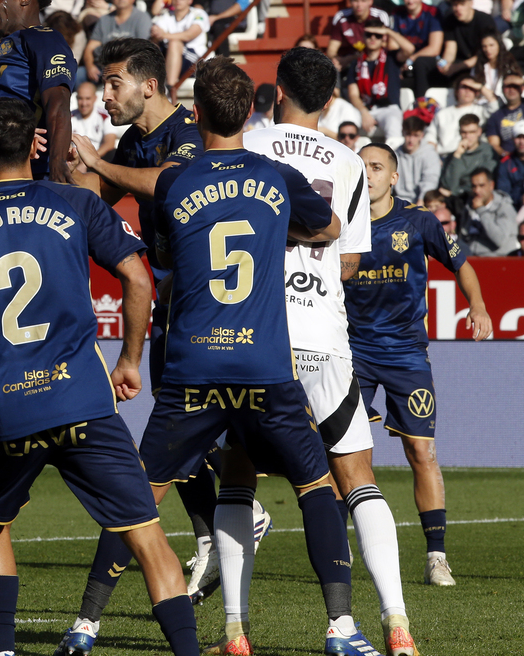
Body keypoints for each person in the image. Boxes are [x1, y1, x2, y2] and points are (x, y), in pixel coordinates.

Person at [0, 97, 199, 656]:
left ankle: (3, 651)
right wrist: (130, 359)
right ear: (34, 146)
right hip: (83, 402)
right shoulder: (76, 204)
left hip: (8, 410)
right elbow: (139, 282)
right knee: (146, 535)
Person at [130, 57, 369, 656]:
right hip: (289, 345)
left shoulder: (183, 175)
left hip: (204, 354)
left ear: (198, 110)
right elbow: (338, 236)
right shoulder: (296, 166)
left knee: (185, 482)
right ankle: (362, 623)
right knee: (341, 484)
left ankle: (223, 628)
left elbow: (160, 243)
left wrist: (97, 166)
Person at [241, 47, 418, 656]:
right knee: (357, 480)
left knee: (237, 475)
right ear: (328, 99)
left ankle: (236, 633)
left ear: (277, 89)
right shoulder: (349, 162)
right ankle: (395, 622)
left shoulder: (251, 147)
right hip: (323, 333)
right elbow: (346, 261)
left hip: (254, 335)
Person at [60, 40, 212, 628]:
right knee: (182, 427)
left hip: (204, 307)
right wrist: (66, 179)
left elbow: (169, 186)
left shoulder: (189, 134)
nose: (105, 94)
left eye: (114, 82)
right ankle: (220, 530)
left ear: (149, 85)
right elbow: (96, 199)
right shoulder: (129, 145)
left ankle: (91, 616)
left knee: (177, 434)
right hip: (172, 305)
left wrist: (98, 164)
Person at [346, 143, 492, 587]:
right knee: (346, 451)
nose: (368, 174)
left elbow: (462, 264)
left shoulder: (418, 220)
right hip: (352, 352)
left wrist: (479, 305)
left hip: (407, 353)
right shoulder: (339, 222)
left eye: (376, 167)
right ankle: (341, 552)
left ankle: (436, 557)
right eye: (362, 167)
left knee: (421, 452)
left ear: (393, 177)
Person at [83, 0, 153, 84]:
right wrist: (89, 66)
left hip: (131, 70)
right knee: (75, 76)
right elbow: (90, 48)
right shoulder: (104, 20)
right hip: (101, 68)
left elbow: (142, 50)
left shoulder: (142, 18)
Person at [150, 0, 209, 91]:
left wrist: (164, 35)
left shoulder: (198, 14)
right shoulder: (167, 15)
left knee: (174, 43)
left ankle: (170, 88)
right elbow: (155, 14)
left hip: (196, 60)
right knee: (153, 44)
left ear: (190, 0)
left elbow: (189, 34)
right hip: (172, 57)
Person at [392, 0, 445, 99]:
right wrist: (403, 61)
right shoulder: (397, 14)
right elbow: (392, 46)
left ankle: (421, 103)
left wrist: (411, 59)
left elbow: (434, 48)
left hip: (428, 61)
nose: (410, 1)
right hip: (404, 58)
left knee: (420, 63)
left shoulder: (432, 13)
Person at [347, 26, 404, 140]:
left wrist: (388, 31)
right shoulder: (356, 63)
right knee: (347, 119)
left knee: (393, 121)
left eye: (377, 35)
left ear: (383, 39)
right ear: (363, 38)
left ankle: (393, 156)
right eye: (369, 35)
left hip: (388, 108)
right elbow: (353, 94)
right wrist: (364, 112)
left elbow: (410, 49)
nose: (373, 38)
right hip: (365, 108)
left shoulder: (392, 57)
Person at [326, 0, 391, 69]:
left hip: (376, 61)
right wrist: (336, 60)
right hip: (349, 63)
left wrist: (355, 58)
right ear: (350, 1)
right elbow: (332, 50)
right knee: (333, 68)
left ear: (370, 1)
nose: (359, 5)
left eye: (363, 1)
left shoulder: (380, 16)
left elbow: (386, 45)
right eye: (355, 0)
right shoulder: (341, 17)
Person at [440, 0, 498, 80]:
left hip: (483, 63)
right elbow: (450, 49)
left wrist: (456, 67)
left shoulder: (485, 20)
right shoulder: (450, 20)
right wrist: (445, 64)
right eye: (455, 5)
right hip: (460, 62)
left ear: (471, 3)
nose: (458, 9)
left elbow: (487, 53)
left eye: (462, 4)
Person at [484, 73, 524, 153]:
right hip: (513, 161)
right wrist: (506, 156)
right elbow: (494, 144)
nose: (511, 89)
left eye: (515, 86)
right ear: (502, 89)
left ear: (522, 89)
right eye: (508, 86)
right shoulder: (496, 116)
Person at [460, 167, 518, 255]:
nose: (477, 190)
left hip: (498, 260)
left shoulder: (505, 207)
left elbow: (499, 239)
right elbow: (464, 236)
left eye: (481, 185)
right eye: (474, 186)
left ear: (491, 185)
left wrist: (481, 210)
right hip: (472, 258)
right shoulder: (469, 206)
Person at [440, 114, 498, 196]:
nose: (468, 136)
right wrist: (457, 156)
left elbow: (483, 183)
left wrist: (455, 192)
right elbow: (448, 186)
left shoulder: (489, 152)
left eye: (472, 132)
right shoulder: (453, 156)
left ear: (479, 132)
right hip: (454, 200)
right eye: (464, 132)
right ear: (460, 132)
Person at [395, 115, 442, 201]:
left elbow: (430, 180)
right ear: (403, 133)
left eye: (415, 135)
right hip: (398, 202)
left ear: (422, 135)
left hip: (424, 201)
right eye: (408, 134)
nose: (411, 140)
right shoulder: (395, 155)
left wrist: (422, 199)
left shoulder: (430, 154)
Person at [496, 118, 524, 207]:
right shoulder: (505, 164)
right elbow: (503, 193)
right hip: (517, 208)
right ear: (512, 138)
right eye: (518, 137)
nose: (521, 142)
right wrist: (520, 198)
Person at [70, 79, 114, 155]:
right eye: (80, 98)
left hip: (98, 158)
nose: (84, 103)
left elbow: (109, 144)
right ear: (76, 98)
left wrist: (92, 161)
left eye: (88, 98)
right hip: (74, 158)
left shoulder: (105, 116)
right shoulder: (69, 117)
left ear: (95, 98)